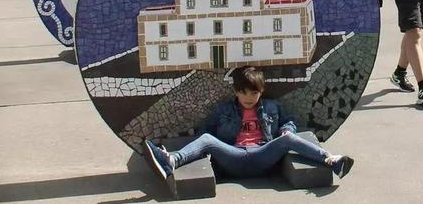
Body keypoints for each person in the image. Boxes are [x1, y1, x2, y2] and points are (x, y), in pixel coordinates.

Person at [143, 67, 354, 197]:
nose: (249, 97)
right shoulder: (224, 109)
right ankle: (171, 161)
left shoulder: (271, 107)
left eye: (254, 92)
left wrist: (285, 130)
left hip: (262, 155)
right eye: (243, 92)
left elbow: (289, 121)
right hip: (233, 156)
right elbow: (207, 131)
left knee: (288, 138)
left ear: (261, 91)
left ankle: (331, 160)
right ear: (236, 91)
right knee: (207, 138)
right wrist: (205, 152)